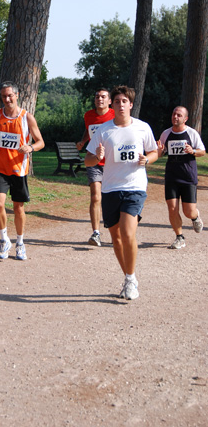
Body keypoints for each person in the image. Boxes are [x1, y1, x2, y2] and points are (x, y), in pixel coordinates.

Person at [85, 85, 158, 300]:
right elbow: (88, 160)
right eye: (117, 101)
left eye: (124, 101)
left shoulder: (142, 128)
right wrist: (97, 156)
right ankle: (128, 276)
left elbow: (153, 151)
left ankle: (131, 279)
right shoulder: (103, 130)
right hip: (110, 188)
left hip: (135, 187)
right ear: (112, 105)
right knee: (116, 239)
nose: (120, 105)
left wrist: (148, 159)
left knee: (127, 233)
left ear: (131, 104)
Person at [0, 81, 45, 261]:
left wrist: (31, 148)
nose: (7, 99)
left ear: (17, 96)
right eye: (4, 96)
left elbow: (41, 141)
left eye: (10, 95)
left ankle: (20, 242)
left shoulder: (27, 118)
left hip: (19, 169)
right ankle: (4, 240)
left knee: (18, 207)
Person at [157, 106, 205, 249]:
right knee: (172, 208)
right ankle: (179, 237)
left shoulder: (191, 133)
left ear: (185, 119)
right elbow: (160, 152)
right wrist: (159, 151)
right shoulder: (166, 133)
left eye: (179, 115)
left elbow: (202, 151)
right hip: (172, 176)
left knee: (188, 211)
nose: (175, 117)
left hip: (188, 177)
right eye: (173, 114)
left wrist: (193, 151)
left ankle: (195, 217)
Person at [76, 88, 115, 246]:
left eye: (103, 97)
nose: (100, 99)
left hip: (112, 162)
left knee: (112, 198)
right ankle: (96, 233)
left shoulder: (115, 115)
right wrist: (83, 141)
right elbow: (89, 130)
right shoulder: (88, 115)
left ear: (109, 101)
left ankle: (114, 229)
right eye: (97, 96)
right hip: (94, 160)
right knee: (95, 196)